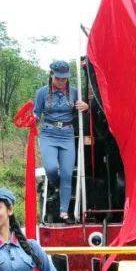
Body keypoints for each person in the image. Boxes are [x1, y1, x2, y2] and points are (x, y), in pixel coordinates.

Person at [33, 60, 88, 223]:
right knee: (51, 168)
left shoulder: (74, 92)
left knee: (66, 173)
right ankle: (56, 185)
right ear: (52, 76)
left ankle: (64, 212)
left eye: (64, 78)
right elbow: (37, 113)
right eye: (58, 78)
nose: (61, 81)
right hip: (48, 133)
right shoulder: (42, 93)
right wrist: (31, 119)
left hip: (67, 135)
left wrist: (85, 107)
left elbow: (81, 114)